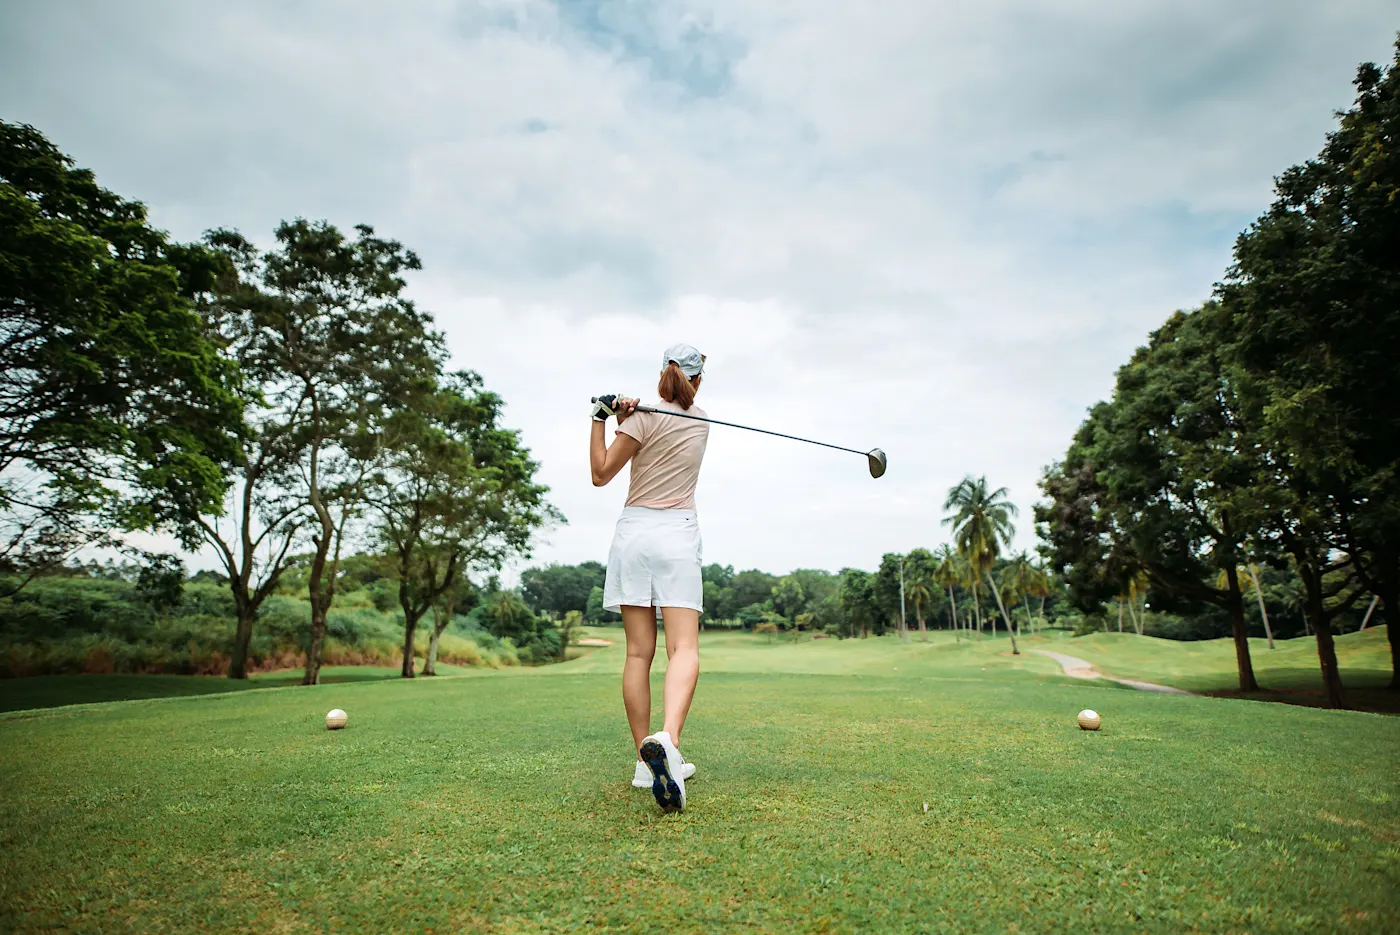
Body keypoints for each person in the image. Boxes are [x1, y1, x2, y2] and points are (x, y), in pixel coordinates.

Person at [589, 343, 709, 813]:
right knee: (684, 648)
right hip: (677, 536)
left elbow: (602, 474)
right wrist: (628, 417)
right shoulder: (702, 422)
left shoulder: (639, 416)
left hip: (634, 534)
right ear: (698, 379)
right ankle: (669, 744)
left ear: (663, 371)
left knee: (639, 651)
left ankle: (646, 758)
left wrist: (604, 416)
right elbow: (666, 430)